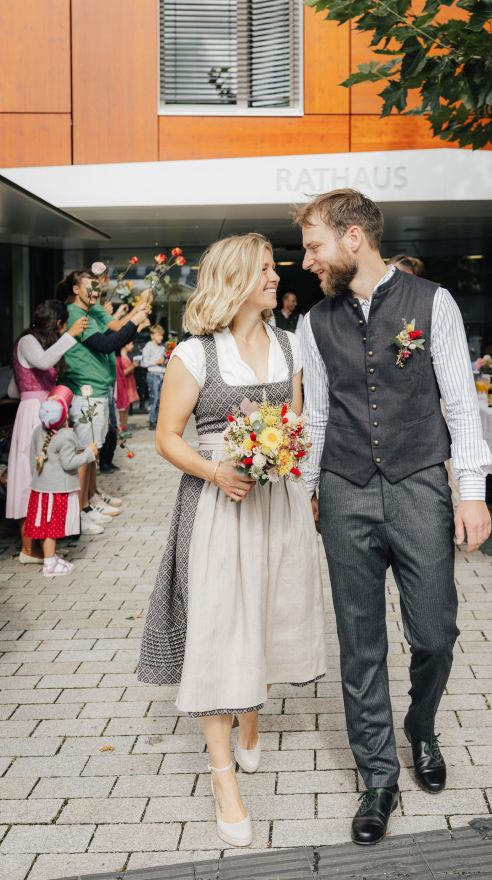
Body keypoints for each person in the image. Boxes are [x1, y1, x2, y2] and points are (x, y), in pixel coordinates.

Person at [296, 189, 492, 846]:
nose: (307, 259)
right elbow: (318, 416)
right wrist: (308, 493)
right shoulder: (313, 323)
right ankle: (376, 775)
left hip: (417, 487)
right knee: (359, 644)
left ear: (353, 239)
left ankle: (420, 725)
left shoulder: (432, 303)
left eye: (314, 244)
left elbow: (460, 404)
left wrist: (470, 491)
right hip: (345, 489)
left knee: (434, 632)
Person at [137, 233, 326, 849]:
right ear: (238, 279)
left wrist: (291, 458)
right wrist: (218, 468)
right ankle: (223, 781)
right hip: (218, 504)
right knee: (220, 632)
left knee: (267, 618)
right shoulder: (195, 354)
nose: (277, 277)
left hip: (278, 505)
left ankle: (252, 718)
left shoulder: (289, 343)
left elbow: (294, 422)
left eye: (275, 269)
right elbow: (167, 436)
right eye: (267, 270)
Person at [59, 270, 149, 535]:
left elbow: (114, 328)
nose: (96, 292)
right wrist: (135, 321)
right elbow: (107, 344)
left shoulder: (90, 311)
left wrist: (136, 311)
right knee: (86, 454)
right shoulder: (75, 314)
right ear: (76, 289)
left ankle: (91, 498)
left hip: (97, 389)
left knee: (93, 451)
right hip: (85, 391)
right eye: (91, 287)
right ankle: (81, 510)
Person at [6, 300, 88, 562]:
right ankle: (29, 548)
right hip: (33, 412)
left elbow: (11, 390)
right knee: (30, 474)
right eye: (62, 326)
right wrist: (69, 336)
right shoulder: (28, 340)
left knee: (43, 474)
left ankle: (39, 544)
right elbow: (42, 363)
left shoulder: (35, 344)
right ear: (58, 323)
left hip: (40, 409)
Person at [24, 385, 97, 576]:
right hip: (57, 491)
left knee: (45, 525)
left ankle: (51, 556)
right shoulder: (66, 435)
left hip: (40, 489)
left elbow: (33, 457)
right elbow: (69, 463)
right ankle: (49, 564)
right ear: (65, 416)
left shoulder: (38, 431)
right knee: (51, 528)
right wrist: (89, 454)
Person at [141, 325, 166, 430]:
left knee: (161, 400)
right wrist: (156, 362)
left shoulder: (163, 347)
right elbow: (143, 362)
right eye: (158, 335)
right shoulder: (149, 346)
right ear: (152, 336)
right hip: (153, 375)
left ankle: (158, 421)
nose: (161, 337)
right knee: (154, 398)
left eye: (162, 335)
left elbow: (163, 361)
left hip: (162, 374)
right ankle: (152, 421)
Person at [117, 341, 139, 432]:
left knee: (126, 407)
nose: (133, 346)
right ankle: (122, 427)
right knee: (123, 407)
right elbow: (122, 373)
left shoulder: (126, 356)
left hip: (129, 383)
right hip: (124, 384)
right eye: (131, 344)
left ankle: (124, 426)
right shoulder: (121, 357)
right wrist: (132, 366)